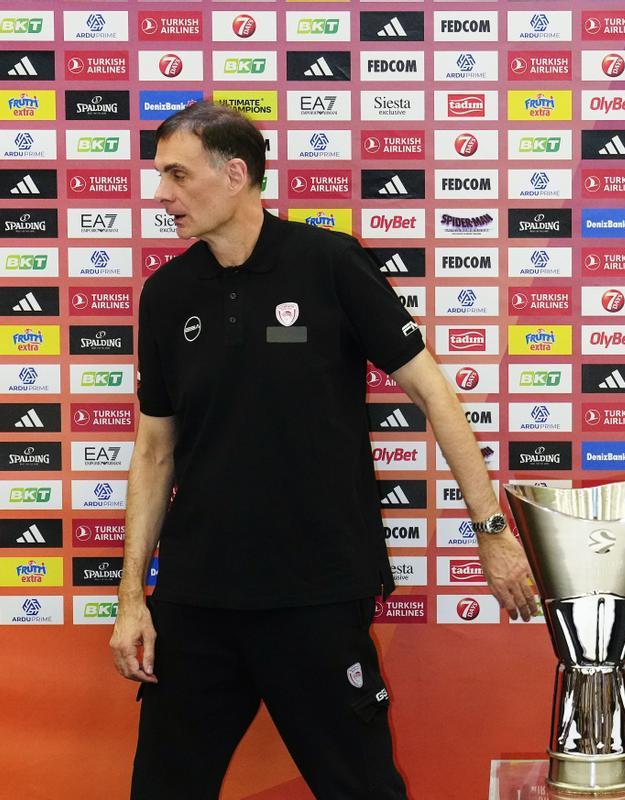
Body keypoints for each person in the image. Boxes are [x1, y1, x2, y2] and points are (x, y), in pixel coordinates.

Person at [109, 101, 535, 799]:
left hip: (316, 593)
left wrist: (491, 531)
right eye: (161, 177)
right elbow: (153, 453)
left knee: (360, 788)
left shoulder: (328, 263)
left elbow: (435, 396)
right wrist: (132, 599)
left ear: (236, 173)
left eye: (178, 176)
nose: (162, 195)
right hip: (197, 601)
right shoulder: (166, 295)